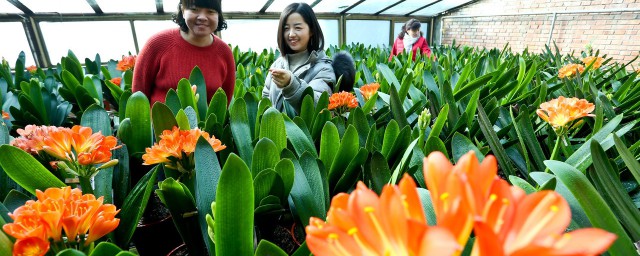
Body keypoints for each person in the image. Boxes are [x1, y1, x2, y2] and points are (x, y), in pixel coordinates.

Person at [133, 0, 235, 104]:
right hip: (157, 120)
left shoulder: (224, 52)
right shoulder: (158, 43)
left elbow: (224, 102)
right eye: (194, 9)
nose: (202, 17)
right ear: (183, 10)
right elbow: (138, 95)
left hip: (207, 121)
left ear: (218, 15)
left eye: (210, 11)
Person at [262, 2, 336, 114]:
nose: (291, 34)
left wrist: (291, 84)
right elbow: (265, 101)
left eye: (298, 28)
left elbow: (318, 107)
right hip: (275, 131)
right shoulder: (277, 65)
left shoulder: (324, 68)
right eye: (286, 28)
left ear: (311, 30)